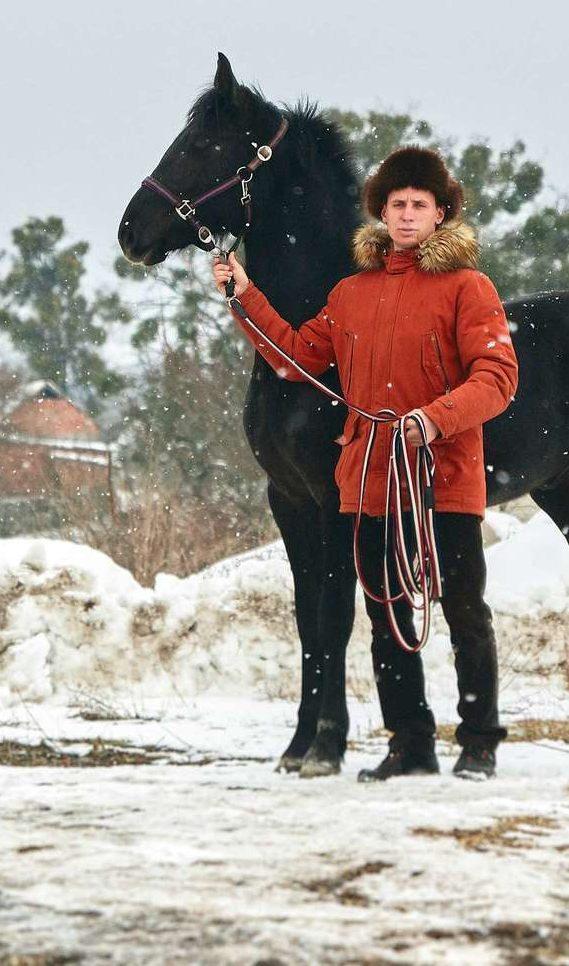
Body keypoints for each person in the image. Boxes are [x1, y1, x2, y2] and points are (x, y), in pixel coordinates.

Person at [213, 146, 519, 781]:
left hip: (442, 480)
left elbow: (498, 377)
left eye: (420, 206)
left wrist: (434, 419)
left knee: (464, 609)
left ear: (441, 215)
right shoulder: (350, 294)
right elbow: (295, 357)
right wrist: (246, 295)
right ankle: (410, 743)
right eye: (397, 205)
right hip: (371, 484)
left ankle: (480, 741)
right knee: (385, 615)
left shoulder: (469, 289)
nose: (407, 216)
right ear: (381, 212)